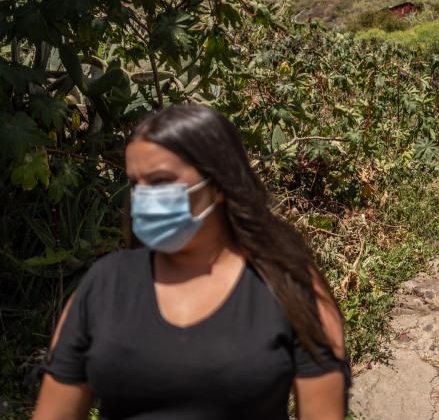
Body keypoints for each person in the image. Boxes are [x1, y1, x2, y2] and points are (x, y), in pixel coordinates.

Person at [32, 104, 350, 420]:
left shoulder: (289, 287)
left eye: (160, 181)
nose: (144, 197)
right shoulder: (106, 285)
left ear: (218, 185)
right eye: (136, 184)